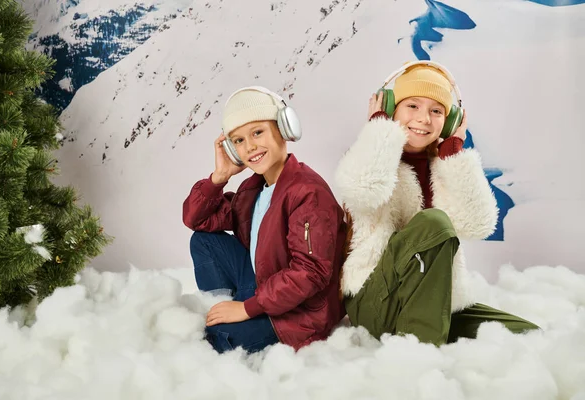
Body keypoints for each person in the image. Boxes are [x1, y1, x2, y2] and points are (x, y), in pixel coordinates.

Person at [334, 61, 539, 345]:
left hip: (434, 299)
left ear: (450, 120)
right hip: (376, 302)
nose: (424, 119)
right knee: (434, 222)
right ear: (393, 108)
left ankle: (427, 331)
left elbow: (478, 224)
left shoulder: (440, 166)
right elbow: (363, 191)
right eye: (413, 106)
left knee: (525, 333)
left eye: (436, 111)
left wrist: (453, 155)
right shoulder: (371, 156)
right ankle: (418, 356)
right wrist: (379, 130)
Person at [182, 86, 346, 353]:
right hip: (264, 285)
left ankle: (234, 321)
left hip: (299, 312)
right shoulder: (253, 189)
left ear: (284, 129)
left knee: (216, 338)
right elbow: (195, 220)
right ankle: (225, 311)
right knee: (203, 240)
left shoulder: (308, 193)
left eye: (257, 132)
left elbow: (309, 273)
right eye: (239, 141)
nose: (250, 147)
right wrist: (219, 178)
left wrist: (248, 308)